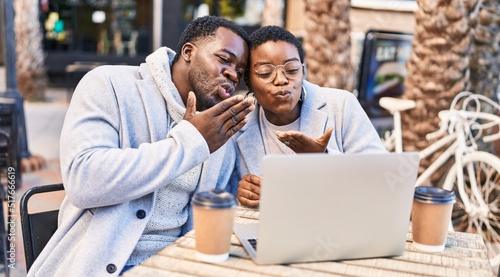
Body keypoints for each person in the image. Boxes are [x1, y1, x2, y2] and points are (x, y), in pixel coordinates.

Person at [28, 16, 255, 276]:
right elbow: (82, 179)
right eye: (225, 59)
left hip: (181, 264)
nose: (232, 73)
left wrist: (247, 192)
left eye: (240, 71)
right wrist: (190, 141)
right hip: (102, 266)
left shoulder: (221, 125)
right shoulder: (109, 85)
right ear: (189, 52)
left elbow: (219, 208)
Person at [231, 26, 386, 207]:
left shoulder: (342, 105)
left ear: (303, 71)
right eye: (266, 72)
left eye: (292, 69)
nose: (281, 80)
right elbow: (221, 195)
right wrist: (241, 193)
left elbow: (381, 179)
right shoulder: (237, 125)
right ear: (248, 81)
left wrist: (322, 159)